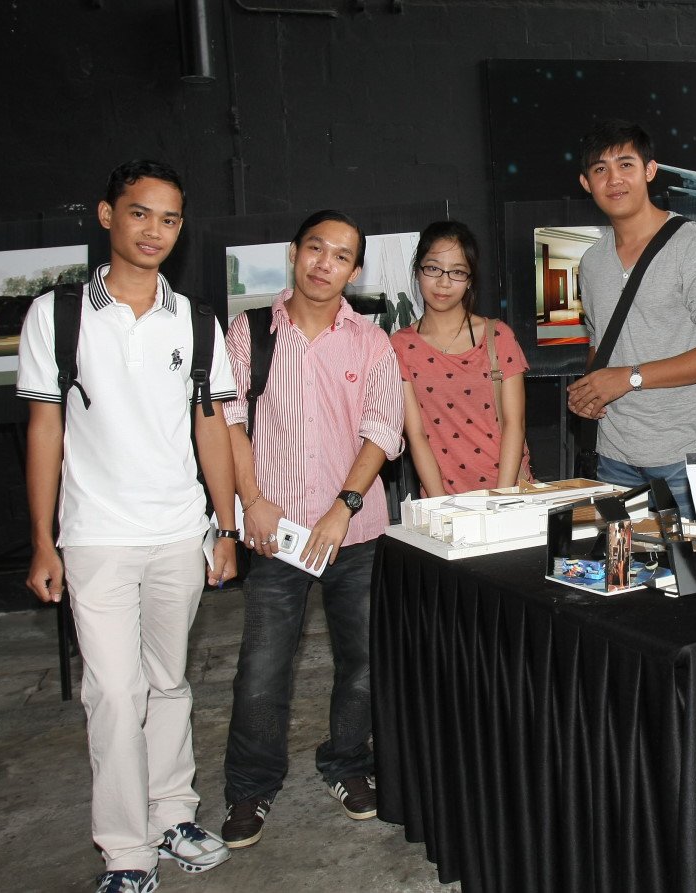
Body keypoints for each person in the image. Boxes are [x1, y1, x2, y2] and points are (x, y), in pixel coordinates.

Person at [19, 159, 238, 893]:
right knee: (114, 693)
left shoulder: (197, 320)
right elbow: (45, 429)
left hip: (180, 530)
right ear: (108, 214)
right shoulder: (58, 315)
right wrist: (43, 538)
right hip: (95, 536)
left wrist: (225, 525)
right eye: (140, 213)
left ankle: (173, 811)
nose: (155, 231)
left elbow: (211, 427)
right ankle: (126, 850)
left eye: (170, 218)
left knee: (168, 679)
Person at [219, 210, 404, 849]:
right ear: (294, 254)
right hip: (277, 534)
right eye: (315, 249)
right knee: (261, 670)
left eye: (341, 255)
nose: (325, 264)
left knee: (363, 662)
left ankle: (348, 765)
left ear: (355, 270)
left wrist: (342, 506)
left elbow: (383, 430)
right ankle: (250, 788)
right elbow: (230, 423)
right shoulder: (250, 333)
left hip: (355, 533)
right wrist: (252, 502)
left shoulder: (371, 342)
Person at [566, 119, 696, 518]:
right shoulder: (592, 261)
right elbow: (600, 342)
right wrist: (591, 391)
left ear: (649, 171)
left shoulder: (695, 244)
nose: (614, 179)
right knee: (627, 576)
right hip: (612, 454)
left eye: (626, 165)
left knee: (695, 578)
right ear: (585, 182)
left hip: (683, 456)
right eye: (600, 169)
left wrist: (628, 377)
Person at [391, 220, 531, 494]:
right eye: (433, 269)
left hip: (508, 490)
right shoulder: (401, 346)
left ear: (469, 281)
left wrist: (500, 500)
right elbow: (416, 435)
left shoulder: (498, 336)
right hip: (442, 497)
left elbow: (516, 424)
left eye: (457, 272)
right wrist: (440, 504)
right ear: (418, 272)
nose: (443, 282)